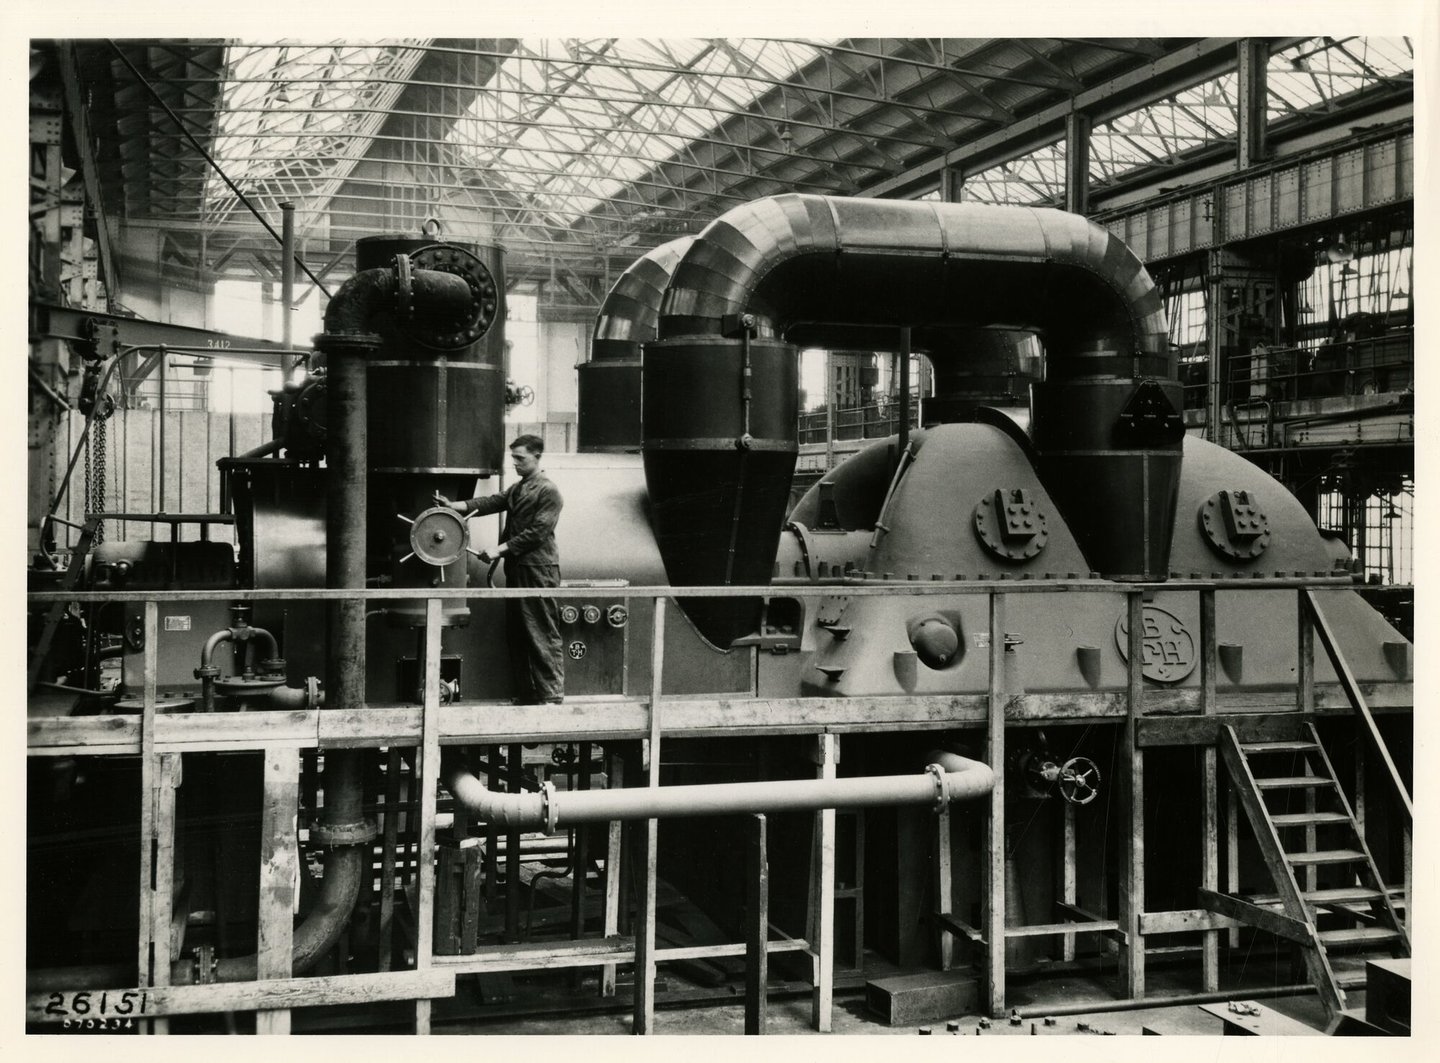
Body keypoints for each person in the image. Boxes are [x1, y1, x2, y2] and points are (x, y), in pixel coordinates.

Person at [437, 435, 564, 704]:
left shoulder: (548, 491)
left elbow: (537, 533)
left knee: (540, 631)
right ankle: (529, 695)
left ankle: (551, 697)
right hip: (519, 570)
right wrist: (455, 507)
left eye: (521, 458)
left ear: (537, 456)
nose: (515, 463)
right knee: (518, 632)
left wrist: (500, 549)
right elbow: (490, 503)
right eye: (513, 458)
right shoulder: (519, 489)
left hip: (538, 570)